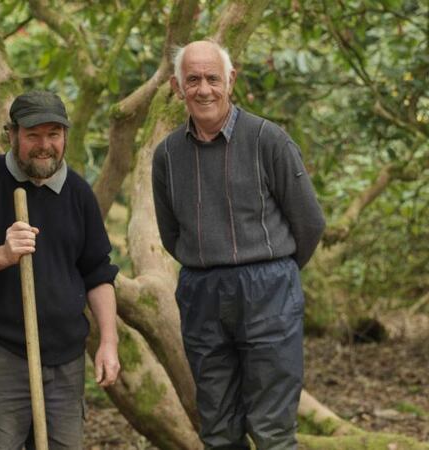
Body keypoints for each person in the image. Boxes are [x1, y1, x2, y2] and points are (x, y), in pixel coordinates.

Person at [152, 40, 326, 449]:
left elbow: (310, 223)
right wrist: (211, 264)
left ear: (230, 80)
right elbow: (170, 233)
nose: (203, 89)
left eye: (212, 78)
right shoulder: (167, 155)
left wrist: (274, 273)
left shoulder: (269, 140)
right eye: (192, 80)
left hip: (268, 289)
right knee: (217, 427)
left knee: (272, 428)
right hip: (202, 291)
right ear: (178, 87)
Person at [0, 91, 121, 449]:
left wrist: (108, 341)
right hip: (0, 355)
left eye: (53, 135)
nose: (45, 145)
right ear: (11, 135)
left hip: (65, 360)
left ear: (65, 137)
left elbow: (98, 274)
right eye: (33, 136)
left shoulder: (78, 193)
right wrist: (3, 253)